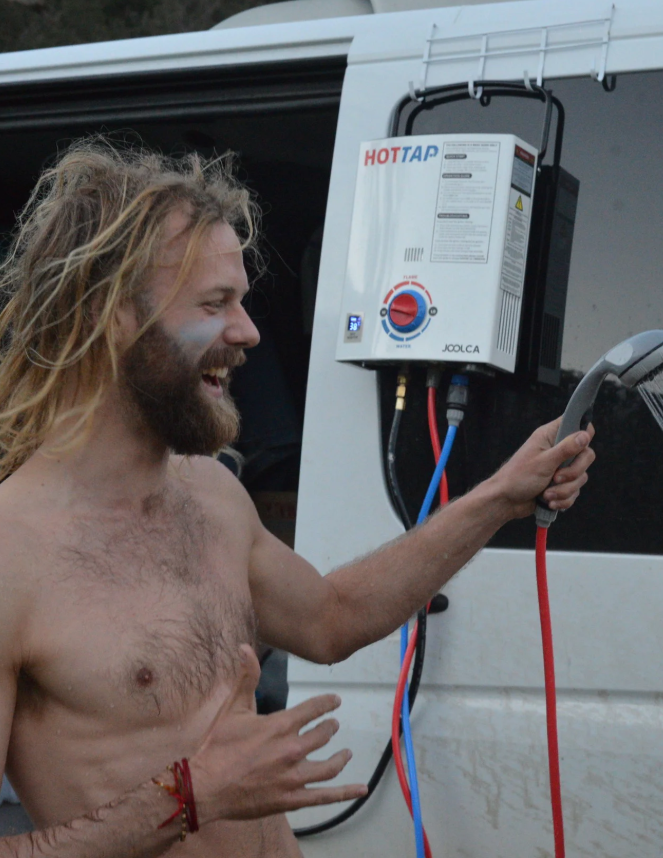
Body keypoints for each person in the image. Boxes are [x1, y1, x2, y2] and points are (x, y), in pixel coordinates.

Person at [0, 140, 595, 857]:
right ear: (113, 316)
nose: (249, 332)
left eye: (242, 303)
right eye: (216, 304)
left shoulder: (212, 494)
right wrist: (193, 797)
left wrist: (501, 496)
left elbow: (332, 617)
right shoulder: (14, 554)